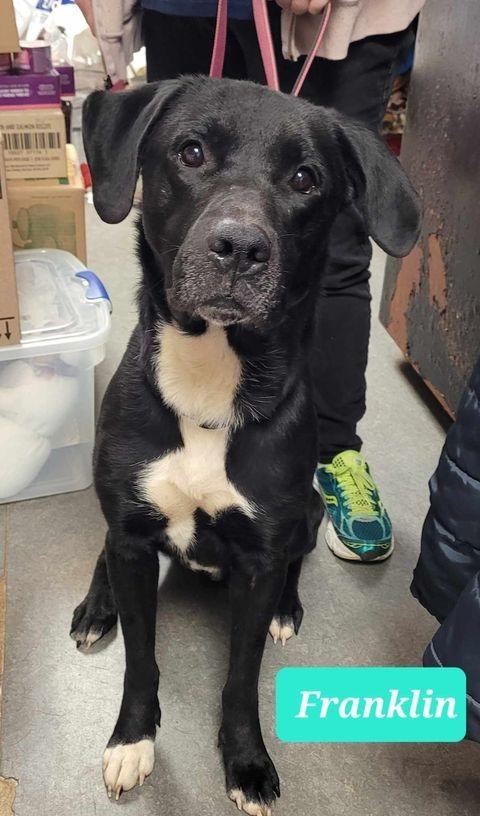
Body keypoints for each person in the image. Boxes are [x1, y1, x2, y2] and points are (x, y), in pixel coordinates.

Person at [79, 0, 425, 562]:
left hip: (340, 18)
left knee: (338, 262)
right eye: (193, 154)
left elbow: (396, 223)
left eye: (303, 179)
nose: (239, 236)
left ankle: (334, 454)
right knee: (180, 260)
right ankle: (149, 477)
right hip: (185, 7)